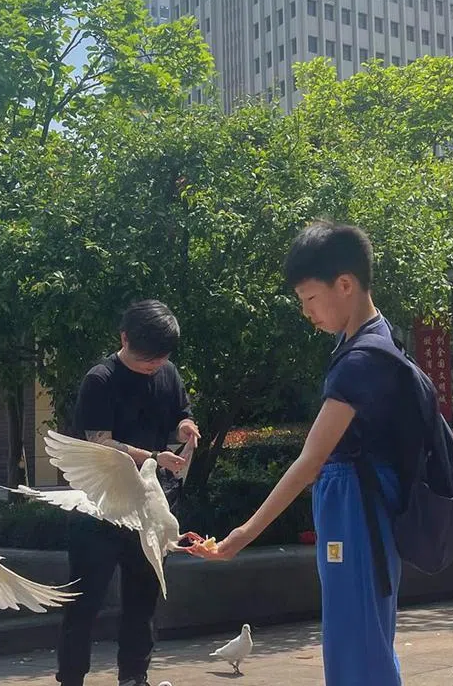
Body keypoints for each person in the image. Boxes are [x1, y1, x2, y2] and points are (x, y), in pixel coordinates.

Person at [186, 221, 409, 685]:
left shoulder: (361, 357)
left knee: (356, 643)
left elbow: (309, 461)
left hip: (354, 503)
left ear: (344, 284)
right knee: (362, 635)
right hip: (356, 499)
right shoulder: (374, 334)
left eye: (309, 299)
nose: (306, 312)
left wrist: (238, 538)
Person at [56, 300, 200, 686]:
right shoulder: (100, 379)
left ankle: (135, 678)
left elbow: (180, 413)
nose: (153, 365)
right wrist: (154, 455)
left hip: (149, 511)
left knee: (143, 603)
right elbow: (99, 443)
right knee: (83, 604)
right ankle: (71, 679)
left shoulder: (168, 374)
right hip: (99, 510)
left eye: (160, 358)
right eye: (146, 358)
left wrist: (186, 426)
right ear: (124, 338)